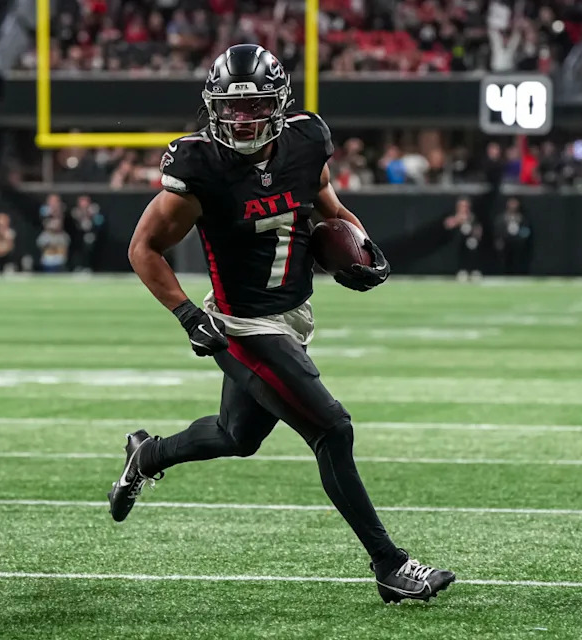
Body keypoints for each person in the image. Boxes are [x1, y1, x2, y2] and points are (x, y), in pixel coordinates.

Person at [112, 44, 454, 604]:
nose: (242, 120)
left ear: (279, 104)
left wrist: (364, 248)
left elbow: (329, 207)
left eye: (254, 107)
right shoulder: (200, 167)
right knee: (332, 429)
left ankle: (145, 456)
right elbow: (143, 248)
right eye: (231, 108)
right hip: (241, 327)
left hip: (291, 316)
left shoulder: (305, 142)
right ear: (213, 108)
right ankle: (390, 567)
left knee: (236, 437)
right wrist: (187, 315)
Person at [444, 196, 484, 280]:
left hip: (470, 241)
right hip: (457, 242)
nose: (464, 208)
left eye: (465, 206)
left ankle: (473, 271)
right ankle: (462, 271)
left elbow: (478, 228)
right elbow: (448, 224)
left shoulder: (472, 217)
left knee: (472, 253)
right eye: (462, 206)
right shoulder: (454, 215)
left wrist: (476, 235)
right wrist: (458, 220)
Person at [494, 197, 533, 275]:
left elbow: (526, 231)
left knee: (518, 261)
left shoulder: (522, 218)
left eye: (515, 203)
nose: (513, 205)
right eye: (511, 203)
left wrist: (522, 239)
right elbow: (497, 231)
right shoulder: (501, 218)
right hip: (505, 244)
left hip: (518, 244)